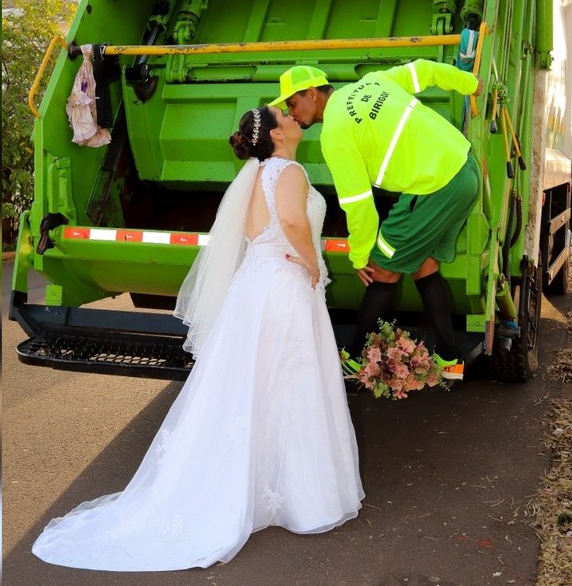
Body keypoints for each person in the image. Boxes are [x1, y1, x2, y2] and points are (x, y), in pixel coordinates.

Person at [31, 106, 364, 572]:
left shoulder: (257, 172)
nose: (293, 116)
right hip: (282, 286)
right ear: (275, 134)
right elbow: (290, 223)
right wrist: (311, 264)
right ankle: (297, 493)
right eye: (284, 116)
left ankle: (255, 485)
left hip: (256, 285)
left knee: (251, 384)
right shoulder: (287, 170)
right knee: (288, 380)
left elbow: (257, 233)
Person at [269, 60, 483, 381]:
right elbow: (424, 70)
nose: (292, 113)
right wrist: (468, 83)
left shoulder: (335, 133)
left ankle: (354, 360)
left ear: (312, 93)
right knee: (425, 263)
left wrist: (359, 255)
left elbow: (358, 203)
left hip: (435, 186)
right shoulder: (373, 81)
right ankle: (450, 359)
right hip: (464, 166)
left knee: (382, 268)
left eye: (293, 103)